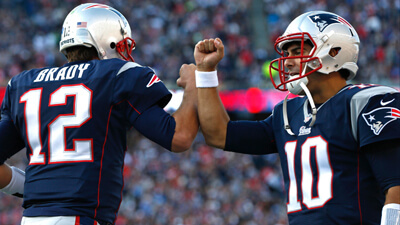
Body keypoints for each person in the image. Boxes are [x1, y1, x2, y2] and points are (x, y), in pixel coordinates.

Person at [191, 11, 400, 224]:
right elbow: (218, 134)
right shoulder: (287, 113)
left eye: (297, 51)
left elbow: (396, 188)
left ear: (334, 51)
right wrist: (206, 71)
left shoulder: (367, 102)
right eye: (286, 54)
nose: (288, 62)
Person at [0, 3, 199, 225]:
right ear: (108, 43)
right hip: (81, 218)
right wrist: (193, 85)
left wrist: (37, 190)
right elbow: (179, 137)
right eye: (123, 46)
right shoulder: (117, 75)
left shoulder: (23, 83)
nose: (126, 53)